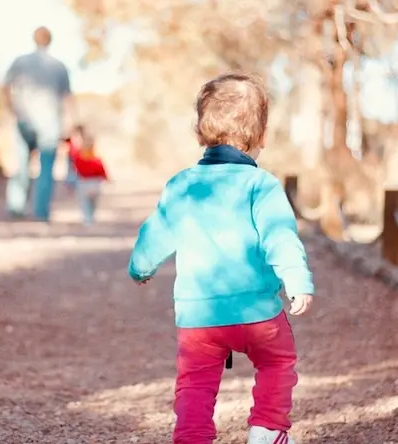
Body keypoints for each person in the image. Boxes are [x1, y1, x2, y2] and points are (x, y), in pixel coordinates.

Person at [126, 73, 314, 444]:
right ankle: (267, 428)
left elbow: (157, 232)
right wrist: (296, 280)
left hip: (200, 317)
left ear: (200, 132)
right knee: (277, 362)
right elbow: (280, 236)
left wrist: (140, 266)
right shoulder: (262, 185)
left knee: (195, 383)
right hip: (258, 312)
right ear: (261, 136)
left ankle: (192, 437)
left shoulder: (182, 184)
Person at [2, 26, 76, 221]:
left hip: (23, 118)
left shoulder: (19, 62)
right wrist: (71, 123)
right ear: (49, 41)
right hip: (50, 123)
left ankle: (16, 207)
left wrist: (12, 110)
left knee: (21, 164)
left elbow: (4, 87)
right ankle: (41, 212)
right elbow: (68, 98)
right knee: (46, 167)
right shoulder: (59, 66)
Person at [64, 125, 108, 225]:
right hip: (95, 184)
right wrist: (106, 179)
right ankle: (91, 217)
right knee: (93, 202)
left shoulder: (79, 158)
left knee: (85, 202)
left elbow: (75, 171)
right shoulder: (96, 160)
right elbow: (103, 171)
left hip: (84, 184)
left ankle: (88, 218)